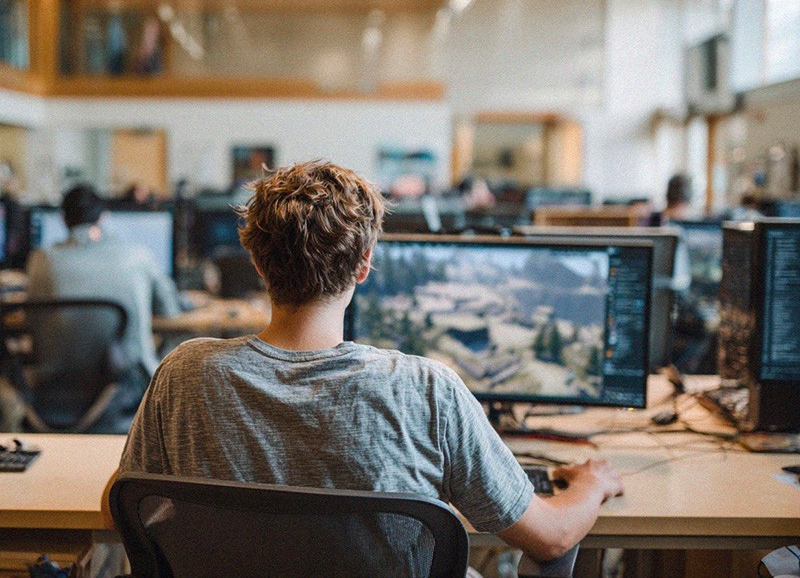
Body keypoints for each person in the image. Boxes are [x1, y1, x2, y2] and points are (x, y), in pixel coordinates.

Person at [119, 161, 623, 563]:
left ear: (256, 262)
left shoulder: (183, 374)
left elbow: (120, 509)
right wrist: (593, 484)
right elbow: (553, 538)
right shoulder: (428, 391)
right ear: (364, 267)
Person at [26, 184, 182, 387]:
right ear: (103, 217)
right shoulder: (138, 256)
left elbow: (33, 320)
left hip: (56, 392)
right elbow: (170, 310)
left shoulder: (40, 261)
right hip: (127, 393)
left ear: (63, 219)